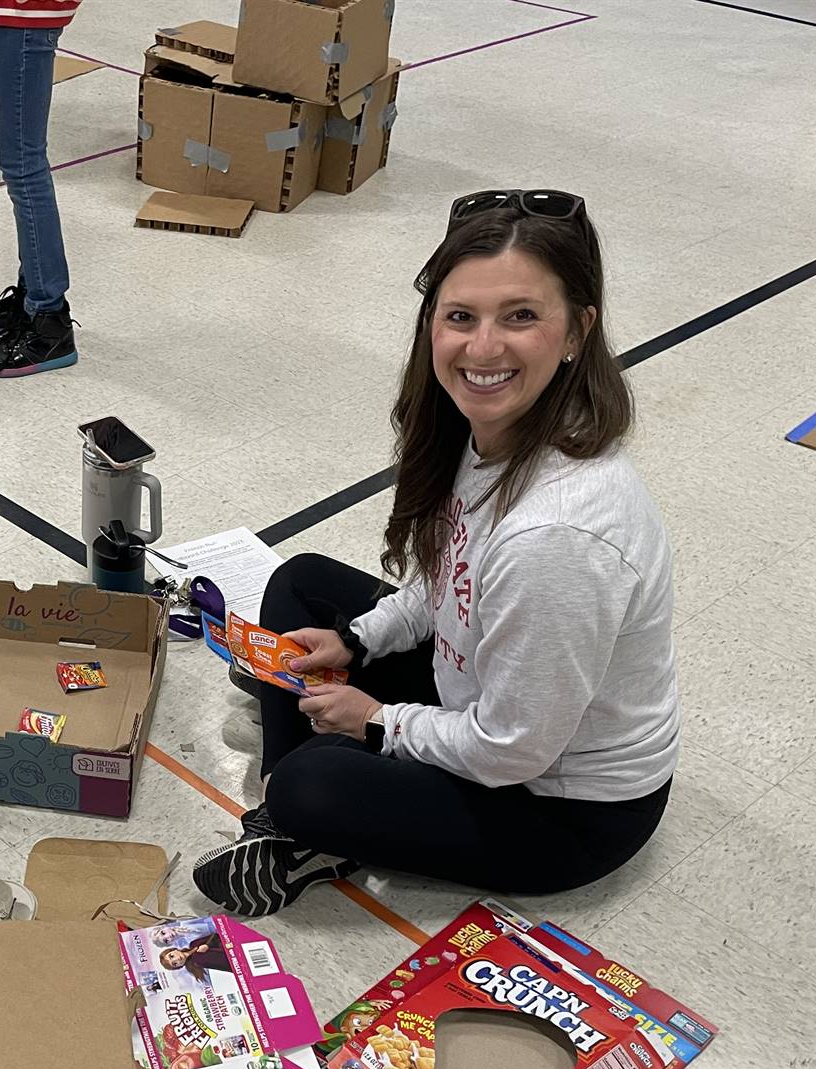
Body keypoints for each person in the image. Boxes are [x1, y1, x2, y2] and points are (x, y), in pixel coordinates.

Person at [194, 190, 678, 916]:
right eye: (461, 317)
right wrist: (358, 641)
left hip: (562, 808)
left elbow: (514, 750)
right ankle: (313, 777)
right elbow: (451, 579)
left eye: (521, 316)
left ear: (578, 329)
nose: (483, 349)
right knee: (301, 584)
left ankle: (297, 814)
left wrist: (377, 722)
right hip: (488, 700)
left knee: (309, 785)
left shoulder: (557, 539)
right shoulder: (493, 429)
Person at [0, 0, 81, 378]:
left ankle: (49, 319)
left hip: (24, 12)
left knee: (24, 168)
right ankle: (34, 296)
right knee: (23, 166)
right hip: (14, 12)